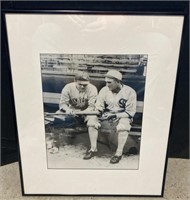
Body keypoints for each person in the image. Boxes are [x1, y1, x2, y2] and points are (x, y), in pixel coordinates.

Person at [83, 70, 137, 164]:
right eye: (106, 82)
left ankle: (118, 154)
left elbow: (130, 112)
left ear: (118, 81)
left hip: (122, 116)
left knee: (123, 125)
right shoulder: (104, 90)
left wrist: (115, 115)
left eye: (109, 82)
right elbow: (99, 107)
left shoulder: (130, 92)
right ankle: (93, 149)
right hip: (107, 115)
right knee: (91, 120)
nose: (107, 85)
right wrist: (95, 113)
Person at [46, 71, 98, 153]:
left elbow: (92, 106)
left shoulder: (92, 89)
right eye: (80, 84)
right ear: (75, 81)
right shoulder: (68, 87)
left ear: (89, 83)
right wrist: (68, 110)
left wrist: (82, 112)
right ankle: (56, 142)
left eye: (85, 85)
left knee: (93, 121)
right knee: (58, 117)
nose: (82, 86)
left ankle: (93, 148)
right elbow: (63, 104)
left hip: (87, 112)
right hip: (71, 110)